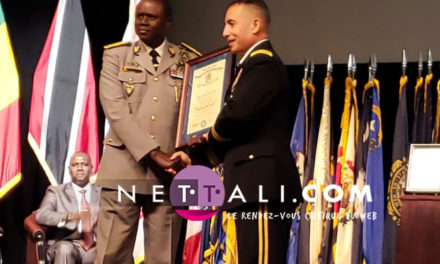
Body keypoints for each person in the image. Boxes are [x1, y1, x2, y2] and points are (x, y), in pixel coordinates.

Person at [94, 0, 197, 263]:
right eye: (139, 16)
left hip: (169, 173)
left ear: (167, 21)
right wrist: (153, 153)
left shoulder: (189, 60)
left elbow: (196, 116)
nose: (142, 22)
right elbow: (115, 110)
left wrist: (185, 154)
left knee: (162, 257)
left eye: (150, 17)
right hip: (123, 168)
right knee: (111, 255)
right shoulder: (116, 56)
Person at [202, 0, 302, 263]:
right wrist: (196, 156)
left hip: (262, 185)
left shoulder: (263, 64)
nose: (224, 32)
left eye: (231, 24)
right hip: (253, 185)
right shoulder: (250, 66)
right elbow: (242, 128)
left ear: (255, 25)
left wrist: (206, 138)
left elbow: (236, 115)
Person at [36, 151, 100, 264]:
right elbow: (41, 215)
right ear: (69, 170)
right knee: (65, 249)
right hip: (65, 243)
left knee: (107, 251)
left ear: (91, 169)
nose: (80, 168)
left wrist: (99, 219)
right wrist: (71, 216)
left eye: (84, 164)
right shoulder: (56, 191)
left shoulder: (102, 193)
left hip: (94, 245)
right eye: (75, 165)